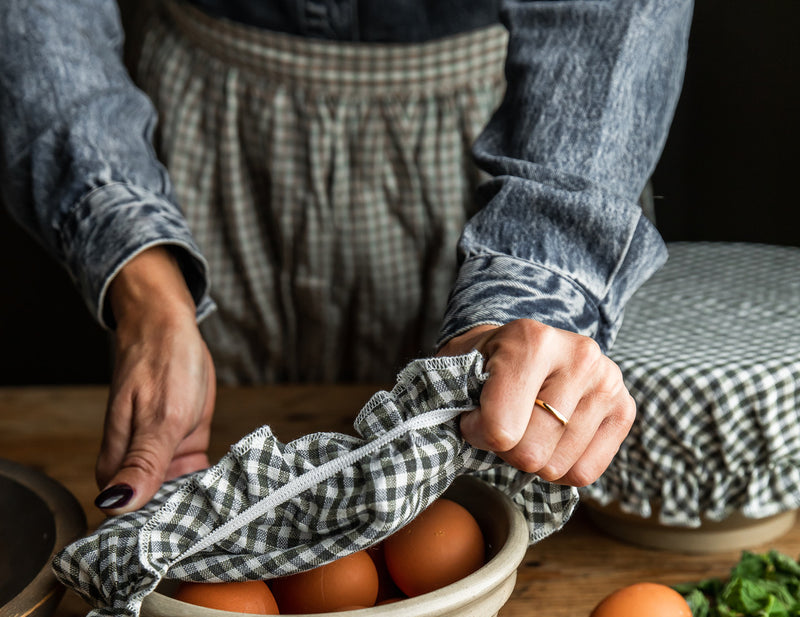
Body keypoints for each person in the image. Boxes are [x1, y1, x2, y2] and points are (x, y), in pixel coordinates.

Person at [0, 0, 693, 515]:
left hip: (509, 133)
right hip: (201, 137)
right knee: (210, 469)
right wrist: (148, 295)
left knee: (476, 475)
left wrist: (533, 288)